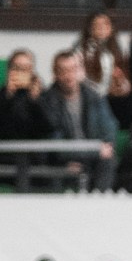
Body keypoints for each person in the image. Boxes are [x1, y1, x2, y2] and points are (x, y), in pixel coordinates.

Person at [39, 48, 119, 190]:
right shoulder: (47, 101)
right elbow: (55, 143)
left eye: (73, 69)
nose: (69, 75)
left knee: (108, 161)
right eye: (63, 70)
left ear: (80, 70)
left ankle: (100, 204)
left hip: (93, 157)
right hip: (64, 159)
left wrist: (103, 148)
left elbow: (109, 128)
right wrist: (93, 151)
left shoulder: (94, 96)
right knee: (65, 169)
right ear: (55, 73)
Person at [0, 49, 52, 191]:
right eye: (17, 68)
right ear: (9, 70)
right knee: (21, 160)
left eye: (26, 68)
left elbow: (50, 126)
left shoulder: (42, 97)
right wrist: (7, 95)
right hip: (3, 156)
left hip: (34, 158)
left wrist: (36, 101)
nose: (22, 72)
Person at [75, 10, 132, 127]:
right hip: (91, 98)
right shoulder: (82, 52)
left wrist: (120, 82)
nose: (101, 28)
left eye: (105, 24)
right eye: (97, 25)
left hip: (113, 99)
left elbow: (126, 85)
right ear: (90, 29)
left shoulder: (117, 52)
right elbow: (80, 80)